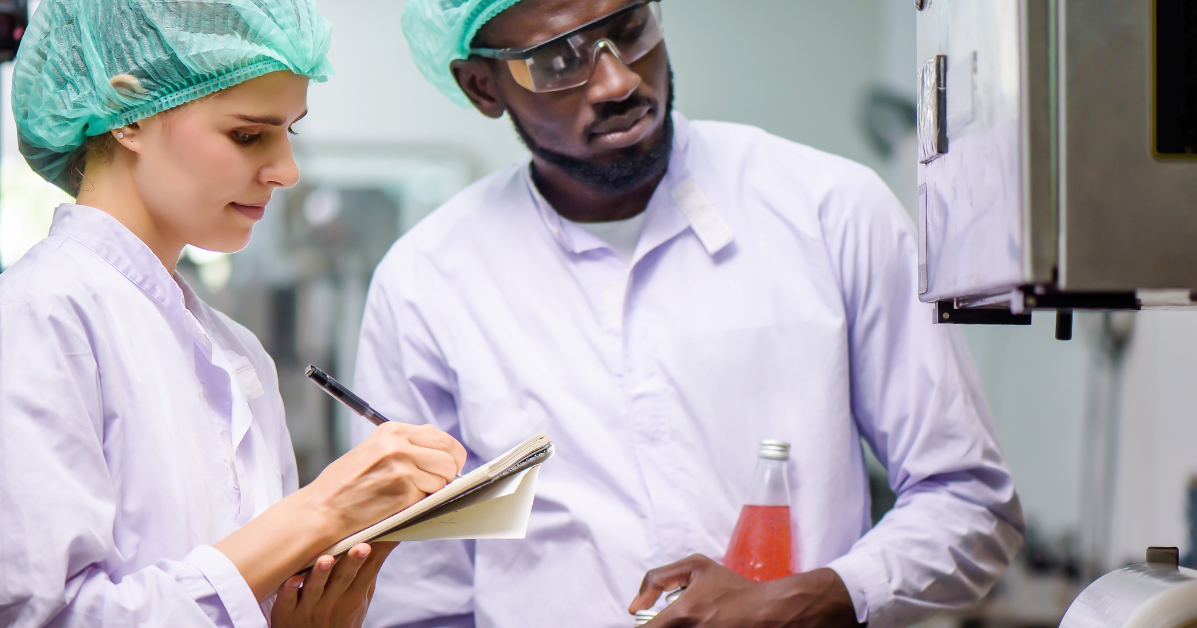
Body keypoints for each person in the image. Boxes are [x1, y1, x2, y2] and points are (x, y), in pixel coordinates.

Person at [353, 0, 1025, 627]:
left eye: (631, 27)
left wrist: (816, 597)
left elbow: (968, 501)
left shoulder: (828, 212)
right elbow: (419, 590)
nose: (616, 81)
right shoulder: (428, 283)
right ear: (481, 87)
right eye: (559, 60)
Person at [0, 1, 467, 627]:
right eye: (248, 134)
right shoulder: (36, 318)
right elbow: (49, 617)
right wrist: (319, 512)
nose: (286, 171)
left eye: (288, 131)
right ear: (127, 115)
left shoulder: (237, 349)